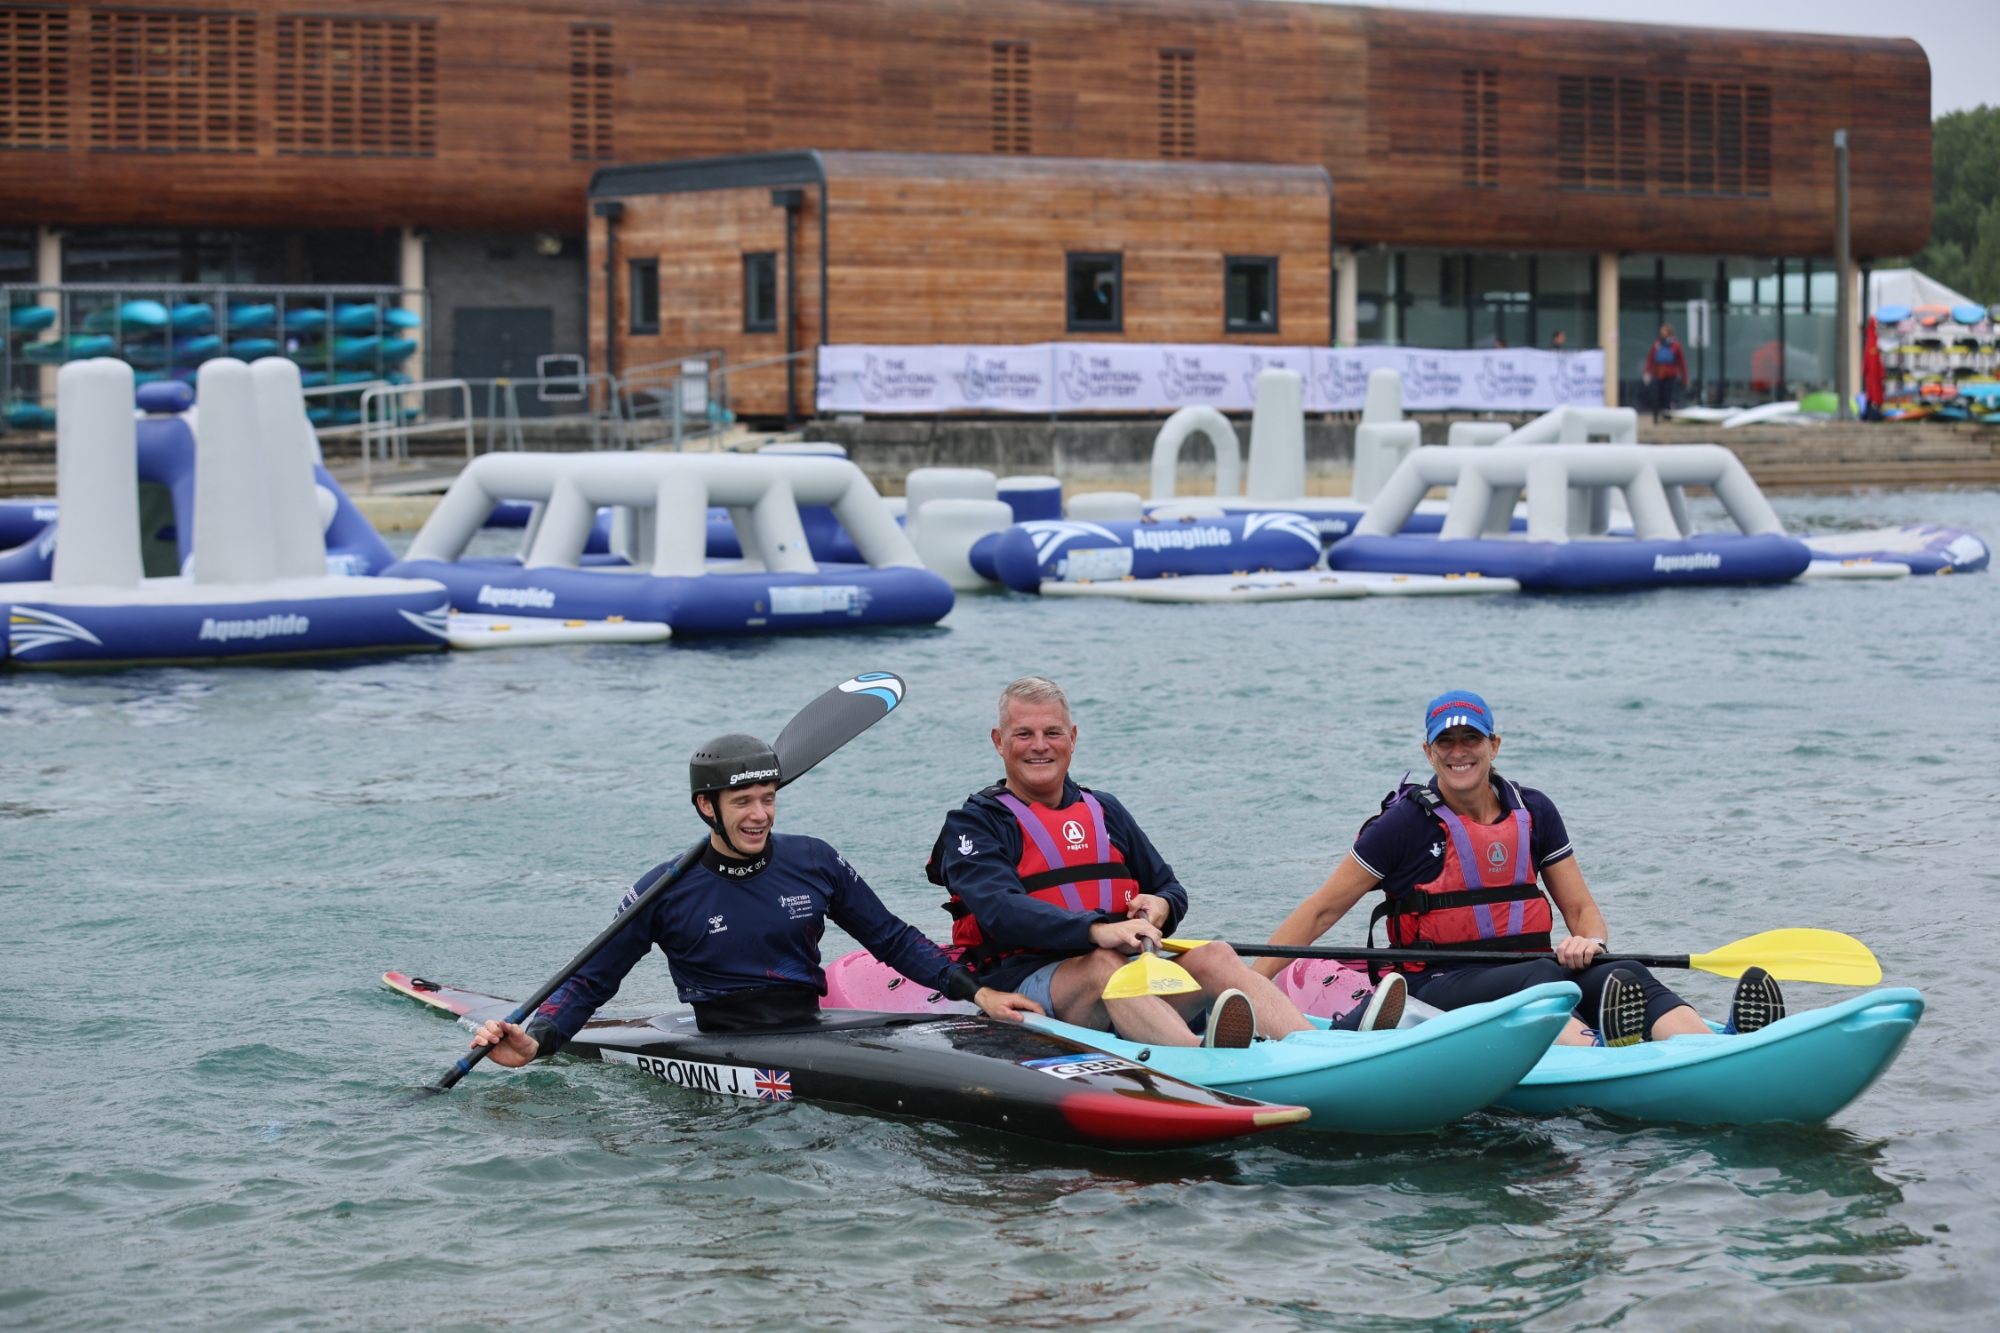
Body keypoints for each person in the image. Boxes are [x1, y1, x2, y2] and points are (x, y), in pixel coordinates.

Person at [470, 733, 1041, 1066]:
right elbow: (592, 981)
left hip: (814, 1028)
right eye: (742, 801)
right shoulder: (663, 889)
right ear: (705, 807)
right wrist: (540, 1042)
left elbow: (891, 939)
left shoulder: (814, 860)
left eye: (768, 798)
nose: (760, 814)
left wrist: (979, 994)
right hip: (724, 1041)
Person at [1255, 692, 1784, 1047]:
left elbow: (1580, 909)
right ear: (1428, 751)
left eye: (1471, 741)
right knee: (1546, 979)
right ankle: (1607, 1051)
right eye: (1446, 743)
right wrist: (1250, 984)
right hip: (1435, 983)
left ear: (1494, 746)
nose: (1459, 753)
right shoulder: (1402, 826)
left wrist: (1590, 942)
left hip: (1532, 965)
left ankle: (1714, 1048)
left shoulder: (1534, 811)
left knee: (1621, 971)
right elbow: (1321, 910)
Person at [926, 677, 1399, 1050]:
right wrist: (1097, 930)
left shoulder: (1104, 809)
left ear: (1072, 737)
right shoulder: (975, 822)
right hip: (1028, 993)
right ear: (999, 741)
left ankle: (1315, 1049)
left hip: (1128, 980)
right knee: (1104, 964)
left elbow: (1169, 887)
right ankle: (1200, 1056)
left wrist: (1159, 907)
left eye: (1052, 732)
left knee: (1214, 954)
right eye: (1023, 734)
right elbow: (999, 911)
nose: (1039, 745)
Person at [1643, 324, 1689, 422]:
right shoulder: (1657, 344)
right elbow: (1651, 358)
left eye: (1664, 331)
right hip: (1658, 373)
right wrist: (1647, 372)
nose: (1662, 333)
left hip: (1670, 374)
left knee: (1668, 394)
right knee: (1657, 394)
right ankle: (1657, 414)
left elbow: (1681, 362)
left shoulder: (1675, 345)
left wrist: (1684, 377)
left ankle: (1667, 414)